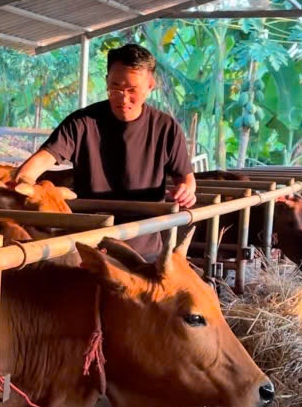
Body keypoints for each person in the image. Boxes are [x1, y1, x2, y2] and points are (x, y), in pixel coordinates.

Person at [13, 42, 197, 260]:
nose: (123, 97)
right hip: (90, 247)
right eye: (115, 87)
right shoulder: (82, 123)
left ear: (150, 86)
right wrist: (25, 181)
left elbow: (186, 179)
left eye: (132, 90)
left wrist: (185, 190)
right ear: (107, 81)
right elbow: (38, 163)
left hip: (144, 250)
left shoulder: (166, 127)